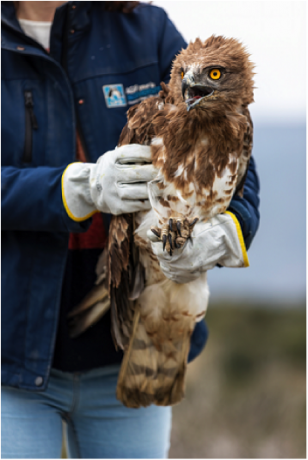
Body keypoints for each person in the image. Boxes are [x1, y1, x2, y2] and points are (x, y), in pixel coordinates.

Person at [0, 0, 260, 458]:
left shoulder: (144, 28)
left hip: (132, 337)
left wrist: (225, 233)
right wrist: (72, 188)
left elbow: (238, 166)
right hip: (9, 356)